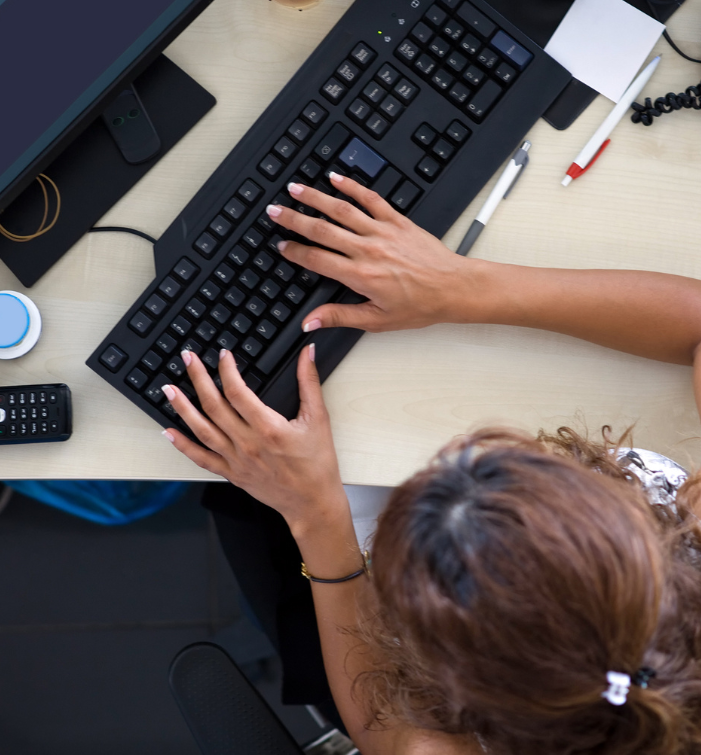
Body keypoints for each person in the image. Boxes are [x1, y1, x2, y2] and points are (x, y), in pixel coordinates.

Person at [160, 173, 701, 755]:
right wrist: (463, 286)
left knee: (243, 491)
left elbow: (384, 733)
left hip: (345, 580)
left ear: (454, 680)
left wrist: (316, 517)